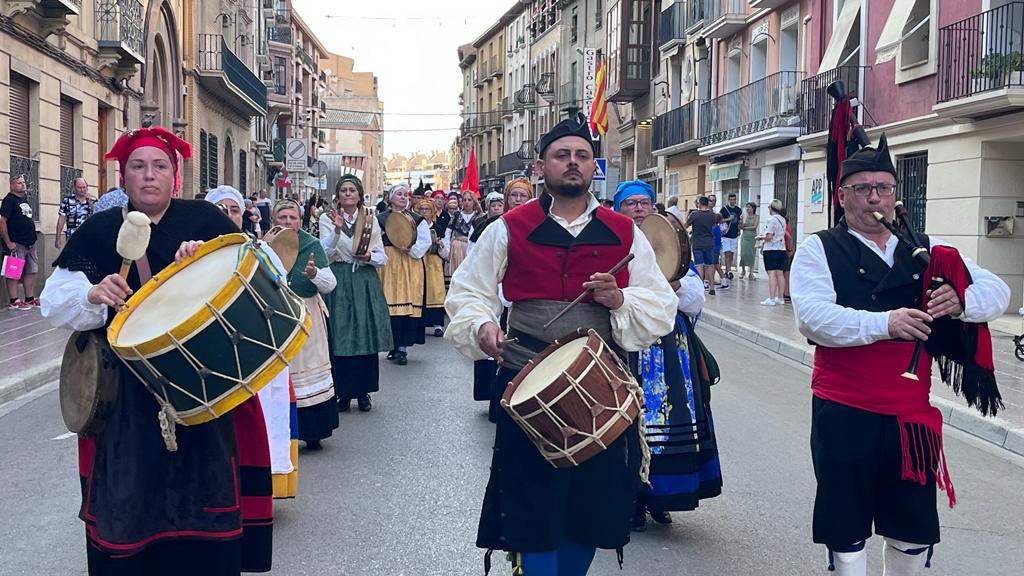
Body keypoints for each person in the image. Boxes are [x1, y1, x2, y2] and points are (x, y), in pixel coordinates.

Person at [445, 114, 678, 575]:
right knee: (531, 499)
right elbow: (468, 291)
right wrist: (483, 326)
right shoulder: (508, 227)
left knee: (588, 506)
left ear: (593, 166)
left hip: (600, 385)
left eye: (582, 156)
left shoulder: (624, 230)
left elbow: (660, 304)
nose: (573, 162)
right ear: (541, 167)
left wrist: (620, 298)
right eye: (562, 155)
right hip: (525, 377)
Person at [39, 126, 273, 575]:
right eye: (138, 166)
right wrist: (92, 294)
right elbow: (53, 302)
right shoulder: (101, 229)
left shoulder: (204, 221)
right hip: (127, 396)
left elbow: (259, 274)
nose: (149, 175)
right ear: (123, 176)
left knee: (203, 503)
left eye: (159, 166)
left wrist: (208, 263)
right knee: (130, 505)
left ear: (175, 176)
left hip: (199, 389)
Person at [790, 134, 1010, 576]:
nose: (875, 198)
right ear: (842, 196)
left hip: (910, 416)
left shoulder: (925, 247)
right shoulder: (820, 248)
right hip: (844, 410)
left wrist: (961, 301)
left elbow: (997, 290)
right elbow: (812, 318)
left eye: (884, 188)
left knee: (911, 531)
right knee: (846, 530)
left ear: (895, 195)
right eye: (862, 188)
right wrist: (884, 323)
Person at [614, 180, 723, 532]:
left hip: (669, 353)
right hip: (625, 346)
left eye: (644, 202)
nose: (639, 208)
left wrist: (671, 287)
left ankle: (660, 498)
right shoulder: (610, 243)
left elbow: (694, 297)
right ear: (618, 209)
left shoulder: (672, 243)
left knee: (666, 423)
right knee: (624, 423)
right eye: (630, 203)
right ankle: (629, 499)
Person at [205, 185, 296, 499]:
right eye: (221, 209)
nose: (228, 215)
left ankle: (255, 489)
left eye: (234, 209)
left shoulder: (259, 249)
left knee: (256, 419)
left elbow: (279, 289)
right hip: (212, 350)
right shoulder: (196, 249)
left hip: (253, 345)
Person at [319, 174, 392, 413]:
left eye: (352, 190)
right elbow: (324, 252)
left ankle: (363, 392)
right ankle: (342, 392)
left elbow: (382, 256)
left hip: (363, 278)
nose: (348, 194)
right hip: (339, 278)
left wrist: (369, 256)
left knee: (364, 334)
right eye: (344, 190)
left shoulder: (370, 219)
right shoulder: (327, 218)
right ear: (338, 195)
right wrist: (337, 231)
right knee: (340, 335)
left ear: (359, 195)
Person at [272, 199, 339, 450]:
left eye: (292, 217)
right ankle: (281, 432)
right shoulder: (265, 244)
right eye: (283, 217)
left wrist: (314, 274)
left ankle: (313, 432)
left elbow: (330, 284)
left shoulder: (311, 245)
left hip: (306, 313)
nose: (288, 222)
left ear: (300, 221)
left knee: (308, 371)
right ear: (274, 220)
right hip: (276, 315)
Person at [378, 184, 432, 365]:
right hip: (388, 264)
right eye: (399, 194)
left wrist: (410, 249)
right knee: (390, 306)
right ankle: (392, 345)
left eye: (405, 194)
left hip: (409, 265)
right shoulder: (380, 219)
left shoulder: (417, 220)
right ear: (390, 198)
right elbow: (375, 241)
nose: (403, 197)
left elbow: (425, 242)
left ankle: (402, 348)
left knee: (406, 307)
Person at [1, 173, 39, 310]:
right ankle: (14, 300)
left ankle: (29, 298)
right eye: (19, 183)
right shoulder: (9, 200)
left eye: (23, 182)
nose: (23, 185)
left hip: (30, 241)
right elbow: (2, 221)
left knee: (31, 270)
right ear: (12, 185)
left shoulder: (24, 199)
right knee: (13, 271)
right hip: (16, 242)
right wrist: (8, 242)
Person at [414, 197, 448, 337]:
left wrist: (441, 246)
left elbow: (446, 253)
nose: (424, 212)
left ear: (432, 211)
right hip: (419, 261)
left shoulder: (437, 228)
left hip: (433, 263)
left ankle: (437, 325)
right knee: (419, 290)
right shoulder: (414, 227)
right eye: (421, 209)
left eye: (427, 209)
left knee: (435, 291)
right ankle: (419, 323)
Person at [443, 189, 481, 282]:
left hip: (472, 249)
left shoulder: (479, 217)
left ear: (474, 202)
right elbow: (448, 233)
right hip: (455, 250)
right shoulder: (456, 215)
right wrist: (447, 251)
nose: (467, 202)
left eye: (469, 200)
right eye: (464, 200)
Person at [757, 199, 787, 306]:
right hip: (782, 249)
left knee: (772, 274)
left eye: (769, 207)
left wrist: (760, 237)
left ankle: (772, 298)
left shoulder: (771, 220)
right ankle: (781, 298)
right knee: (780, 274)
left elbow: (769, 236)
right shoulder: (783, 219)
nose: (768, 209)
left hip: (771, 250)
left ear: (772, 208)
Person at [686, 196, 717, 295]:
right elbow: (713, 225)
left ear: (699, 203)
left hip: (698, 243)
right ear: (707, 203)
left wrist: (687, 214)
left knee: (699, 265)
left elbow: (685, 225)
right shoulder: (712, 214)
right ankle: (712, 288)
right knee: (710, 265)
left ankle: (700, 287)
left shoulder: (695, 214)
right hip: (709, 242)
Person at [56, 177, 94, 249]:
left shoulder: (93, 200)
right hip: (72, 238)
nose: (82, 190)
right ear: (74, 188)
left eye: (84, 187)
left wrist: (91, 203)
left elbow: (98, 216)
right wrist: (58, 238)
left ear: (87, 188)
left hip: (89, 239)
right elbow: (61, 220)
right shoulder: (67, 201)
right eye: (79, 187)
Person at [719, 192, 742, 280]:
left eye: (734, 199)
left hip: (734, 234)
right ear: (728, 200)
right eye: (731, 199)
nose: (733, 201)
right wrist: (729, 219)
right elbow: (719, 220)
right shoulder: (724, 209)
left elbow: (739, 221)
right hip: (726, 235)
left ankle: (727, 270)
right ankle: (728, 271)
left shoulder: (738, 210)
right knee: (727, 253)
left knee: (731, 254)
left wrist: (740, 226)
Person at [739, 202, 759, 279]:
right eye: (747, 207)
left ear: (753, 208)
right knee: (743, 254)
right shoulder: (745, 216)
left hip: (752, 237)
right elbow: (741, 227)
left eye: (749, 207)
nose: (747, 208)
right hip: (744, 237)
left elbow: (754, 227)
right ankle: (743, 271)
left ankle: (751, 272)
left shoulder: (756, 216)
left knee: (751, 254)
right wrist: (741, 220)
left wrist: (745, 228)